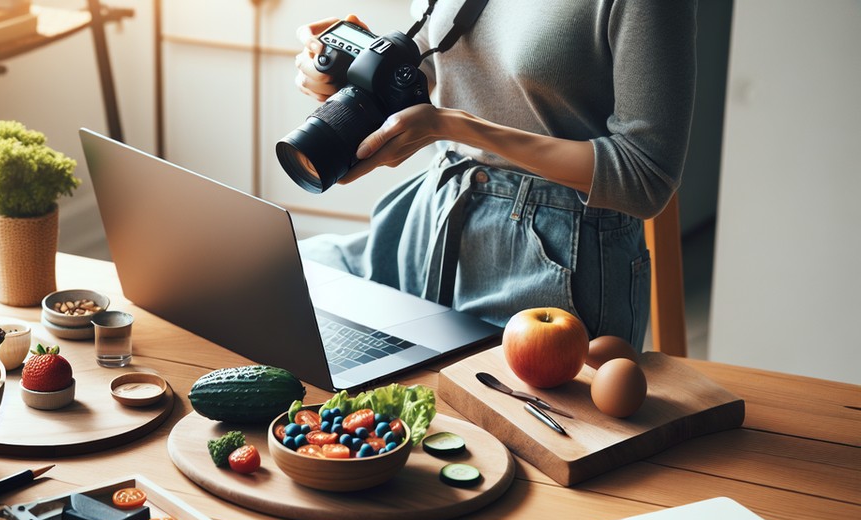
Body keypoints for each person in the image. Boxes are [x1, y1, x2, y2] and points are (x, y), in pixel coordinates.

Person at [293, 1, 697, 350]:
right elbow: (437, 62)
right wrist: (363, 65)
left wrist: (456, 128)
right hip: (434, 215)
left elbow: (647, 177)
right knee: (278, 285)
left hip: (555, 258)